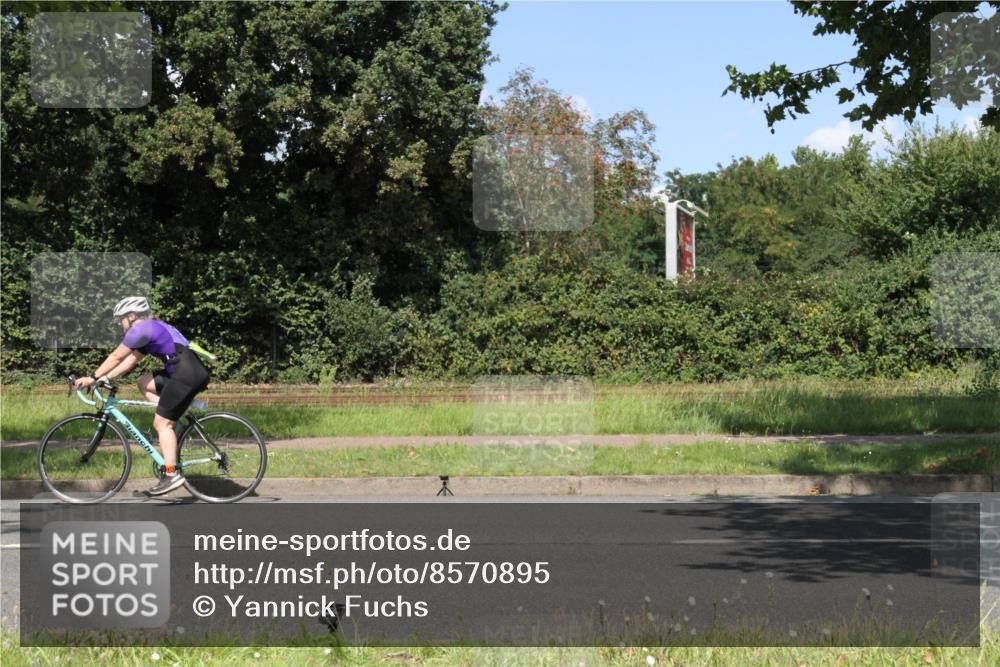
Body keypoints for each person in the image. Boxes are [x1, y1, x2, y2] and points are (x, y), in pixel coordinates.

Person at [73, 296, 211, 495]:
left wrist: (92, 377)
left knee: (161, 424)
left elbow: (116, 356)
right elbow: (129, 362)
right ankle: (173, 414)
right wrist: (105, 378)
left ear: (131, 316)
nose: (119, 324)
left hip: (186, 373)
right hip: (185, 371)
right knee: (144, 382)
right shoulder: (150, 329)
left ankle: (172, 474)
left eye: (120, 319)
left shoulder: (142, 329)